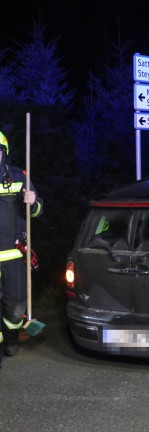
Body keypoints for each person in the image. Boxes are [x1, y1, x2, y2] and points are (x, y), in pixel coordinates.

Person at [0, 130, 43, 367]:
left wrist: (32, 202)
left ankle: (11, 339)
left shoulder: (18, 177)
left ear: (4, 153)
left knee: (15, 307)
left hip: (15, 256)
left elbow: (38, 212)